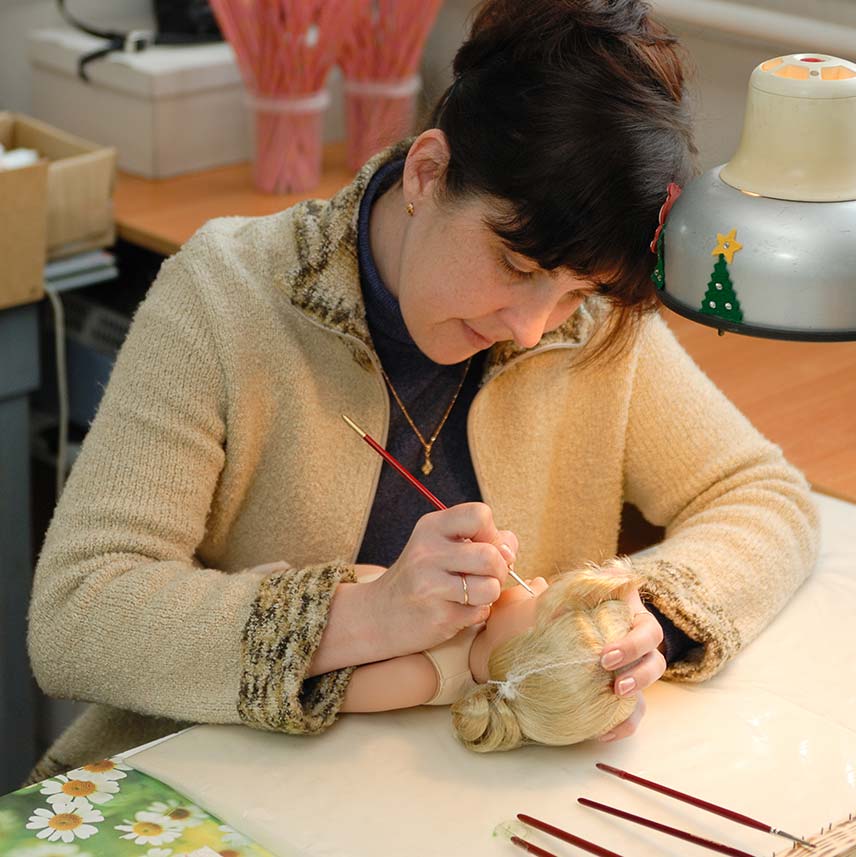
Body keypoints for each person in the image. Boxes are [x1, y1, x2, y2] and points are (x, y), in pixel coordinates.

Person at [26, 0, 819, 783]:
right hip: (200, 788)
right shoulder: (226, 294)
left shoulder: (594, 319)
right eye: (517, 268)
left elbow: (761, 495)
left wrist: (628, 623)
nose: (535, 327)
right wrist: (364, 616)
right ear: (428, 172)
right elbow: (79, 613)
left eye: (574, 291)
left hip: (449, 801)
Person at [342, 561, 643, 753]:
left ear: (519, 656)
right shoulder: (471, 614)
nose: (537, 579)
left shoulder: (422, 675)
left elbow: (325, 687)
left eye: (537, 596)